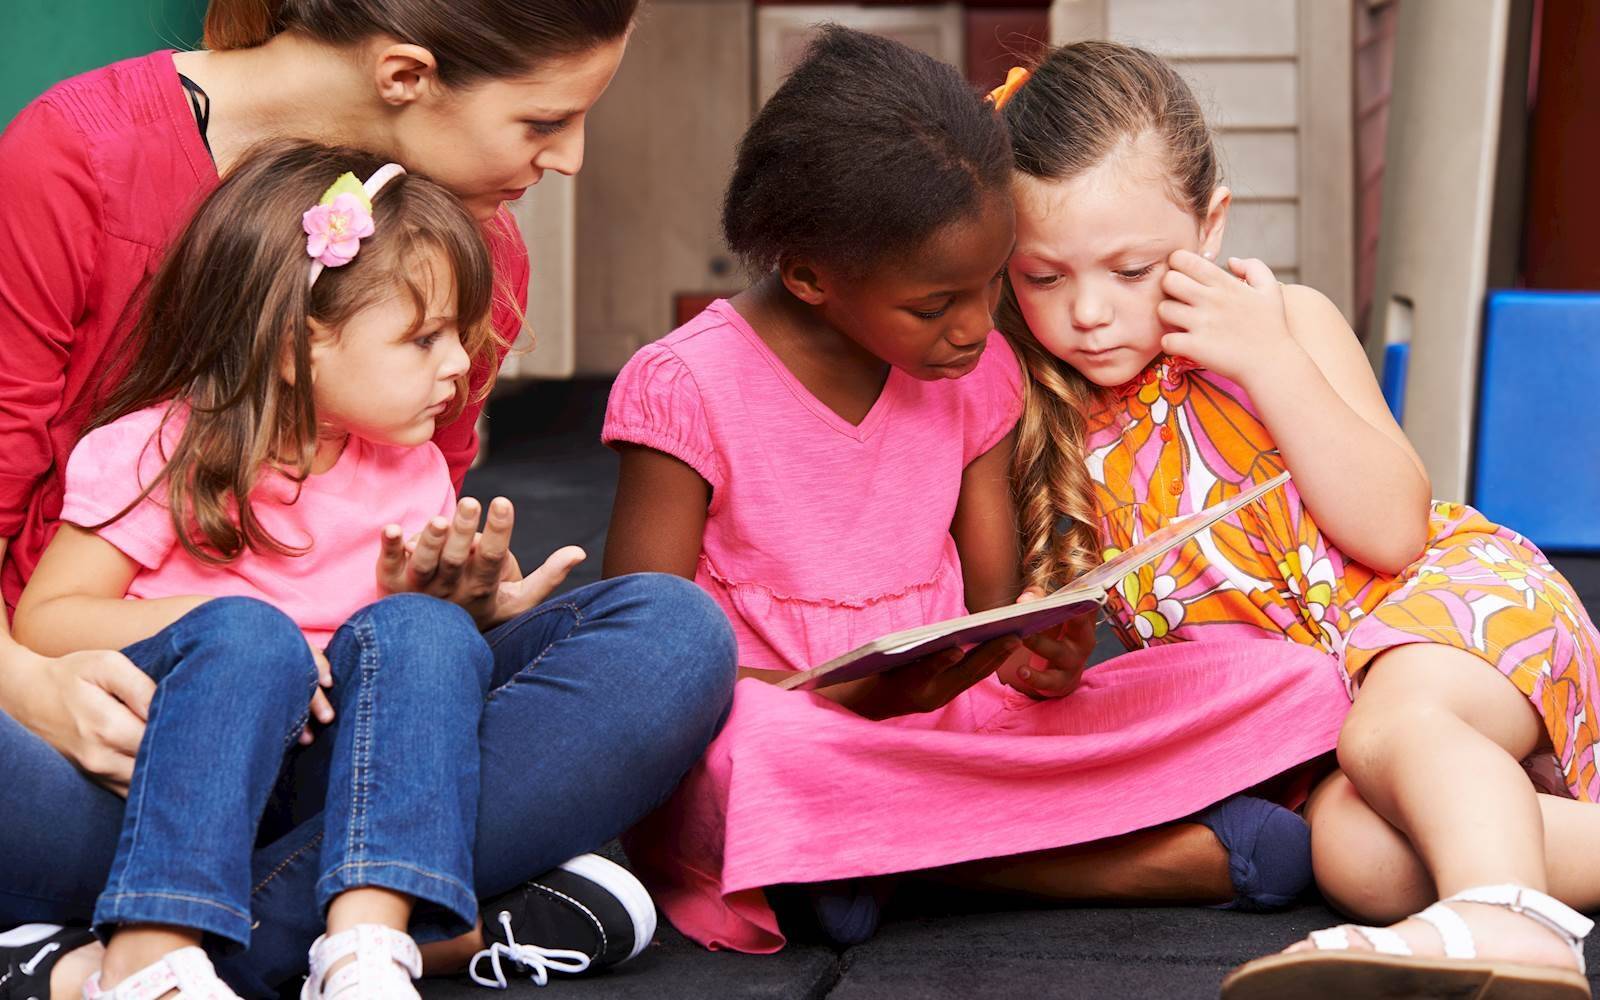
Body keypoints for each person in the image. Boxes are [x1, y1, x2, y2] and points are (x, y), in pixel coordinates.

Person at [0, 3, 736, 996]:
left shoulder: (456, 269)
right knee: (244, 657)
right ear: (405, 75)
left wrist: (454, 610)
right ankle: (428, 918)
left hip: (343, 753)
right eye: (542, 120)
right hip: (105, 746)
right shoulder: (80, 170)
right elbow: (56, 614)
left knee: (672, 637)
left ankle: (127, 955)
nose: (568, 160)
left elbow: (389, 632)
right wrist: (32, 689)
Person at [600, 27, 1352, 954]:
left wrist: (1040, 654)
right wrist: (851, 702)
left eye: (993, 286)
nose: (973, 327)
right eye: (935, 305)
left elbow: (994, 618)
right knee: (756, 753)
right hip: (786, 734)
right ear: (809, 276)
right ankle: (1065, 858)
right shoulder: (686, 386)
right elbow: (640, 669)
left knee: (1294, 680)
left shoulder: (974, 373)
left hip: (953, 727)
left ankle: (872, 860)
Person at [996, 39, 1600, 1000]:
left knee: (1392, 728)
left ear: (1209, 227)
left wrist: (1268, 360)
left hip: (1451, 613)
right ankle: (1511, 873)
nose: (1090, 311)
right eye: (1044, 278)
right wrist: (1047, 655)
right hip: (1321, 732)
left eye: (1131, 268)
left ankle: (1509, 923)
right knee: (1353, 854)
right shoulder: (1038, 418)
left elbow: (1394, 531)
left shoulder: (1287, 324)